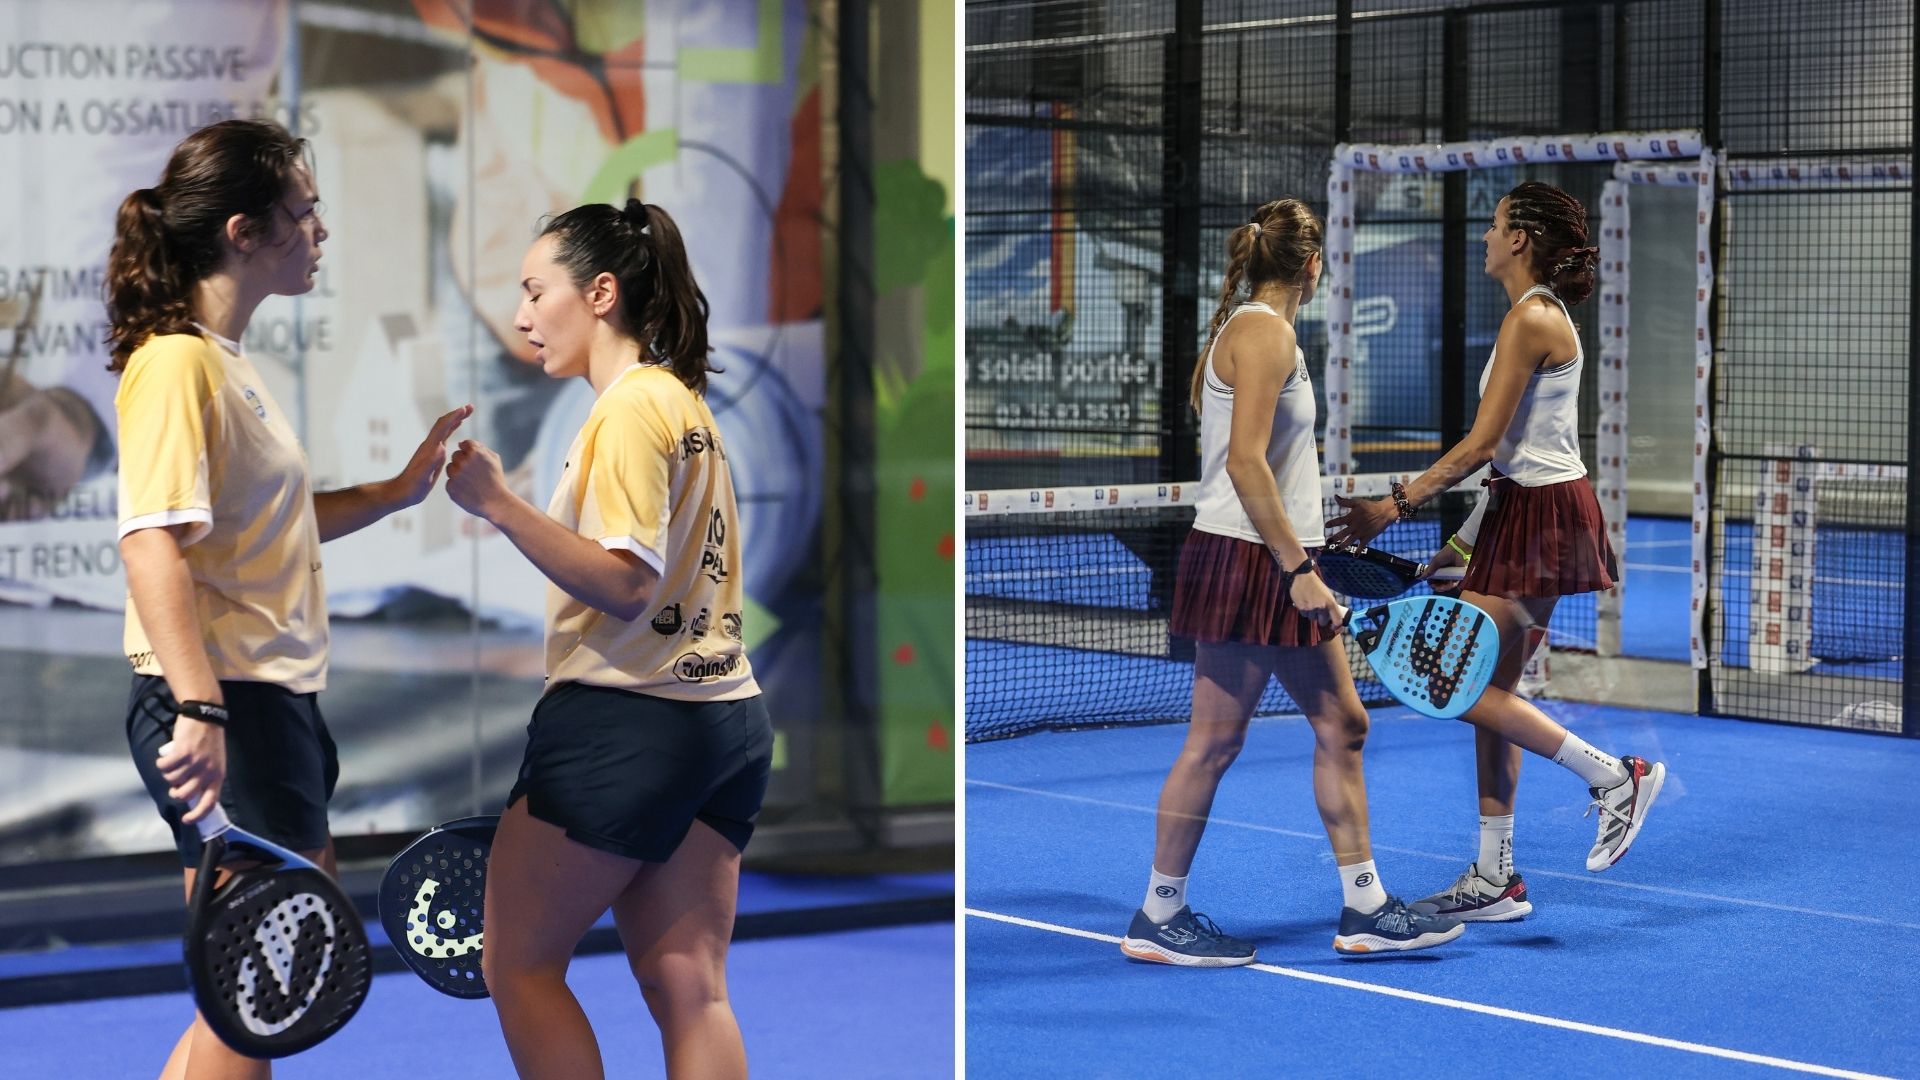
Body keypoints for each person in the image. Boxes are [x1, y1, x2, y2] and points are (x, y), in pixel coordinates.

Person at [109, 118, 469, 1079]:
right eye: (304, 212)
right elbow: (152, 544)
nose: (320, 230)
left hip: (265, 700)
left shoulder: (220, 363)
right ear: (243, 230)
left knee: (253, 986)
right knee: (267, 984)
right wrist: (198, 706)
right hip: (227, 699)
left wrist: (395, 491)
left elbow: (265, 522)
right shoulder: (175, 363)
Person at [443, 199, 772, 1079]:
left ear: (598, 294)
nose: (520, 315)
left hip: (626, 728)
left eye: (533, 290)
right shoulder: (681, 402)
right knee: (690, 986)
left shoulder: (628, 412)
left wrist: (498, 505)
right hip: (726, 724)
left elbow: (626, 585)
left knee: (516, 964)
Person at [1119, 199, 1463, 965]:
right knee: (1216, 741)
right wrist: (1300, 569)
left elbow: (1261, 460)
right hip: (1257, 560)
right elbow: (1244, 463)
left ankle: (1366, 906)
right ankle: (1159, 913)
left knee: (1343, 723)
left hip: (1258, 554)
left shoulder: (1247, 329)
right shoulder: (1265, 333)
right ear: (1312, 264)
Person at [1328, 180, 1665, 922]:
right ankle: (1495, 878)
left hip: (1543, 516)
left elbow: (1482, 445)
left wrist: (1393, 507)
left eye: (1495, 224)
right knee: (1491, 697)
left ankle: (1616, 777)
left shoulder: (1533, 319)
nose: (1485, 235)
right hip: (1522, 509)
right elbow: (1511, 457)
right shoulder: (1530, 316)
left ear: (1520, 239)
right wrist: (1454, 546)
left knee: (1456, 685)